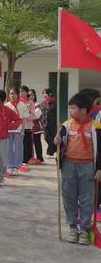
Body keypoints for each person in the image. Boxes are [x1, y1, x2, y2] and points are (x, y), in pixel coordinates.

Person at [55, 93, 101, 245]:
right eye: (69, 108)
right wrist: (56, 141)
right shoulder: (66, 125)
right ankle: (73, 228)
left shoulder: (96, 127)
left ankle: (85, 230)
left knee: (87, 199)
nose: (70, 111)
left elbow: (100, 150)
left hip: (88, 167)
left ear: (84, 110)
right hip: (68, 165)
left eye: (73, 108)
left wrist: (99, 169)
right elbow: (58, 143)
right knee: (69, 197)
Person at [0, 89, 21, 186]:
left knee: (3, 158)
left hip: (4, 137)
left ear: (2, 99)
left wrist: (9, 127)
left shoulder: (7, 110)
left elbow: (18, 120)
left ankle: (1, 176)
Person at [5, 87, 30, 175]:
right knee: (9, 148)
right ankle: (9, 165)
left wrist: (23, 130)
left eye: (14, 93)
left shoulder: (22, 105)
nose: (12, 95)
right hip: (8, 130)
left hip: (19, 130)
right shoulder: (6, 105)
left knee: (18, 148)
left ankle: (17, 165)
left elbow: (23, 119)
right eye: (10, 94)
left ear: (17, 95)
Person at [20, 85, 36, 166]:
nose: (21, 93)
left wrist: (25, 115)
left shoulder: (31, 103)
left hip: (27, 126)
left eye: (22, 91)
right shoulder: (18, 102)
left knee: (26, 143)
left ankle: (25, 160)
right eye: (20, 92)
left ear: (27, 93)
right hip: (18, 126)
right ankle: (19, 159)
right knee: (19, 144)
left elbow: (33, 115)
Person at [29, 89, 44, 163]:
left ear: (34, 96)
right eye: (29, 95)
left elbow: (37, 115)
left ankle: (40, 158)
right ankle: (30, 158)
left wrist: (28, 116)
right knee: (29, 143)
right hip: (28, 127)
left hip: (36, 127)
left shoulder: (37, 104)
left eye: (31, 95)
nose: (30, 96)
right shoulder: (25, 104)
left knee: (37, 142)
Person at [41, 88, 57, 157]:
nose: (44, 95)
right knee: (46, 137)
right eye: (43, 93)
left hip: (52, 123)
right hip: (45, 123)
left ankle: (50, 152)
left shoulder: (54, 102)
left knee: (52, 137)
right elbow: (42, 113)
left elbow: (53, 111)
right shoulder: (43, 103)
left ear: (49, 94)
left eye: (45, 93)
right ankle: (54, 149)